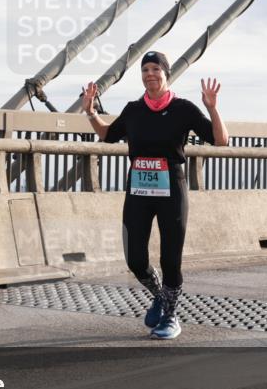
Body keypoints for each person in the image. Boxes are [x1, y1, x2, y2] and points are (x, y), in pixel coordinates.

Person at [81, 51, 230, 339]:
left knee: (170, 259)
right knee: (135, 259)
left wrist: (212, 108)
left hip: (171, 189)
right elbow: (108, 135)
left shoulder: (183, 109)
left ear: (166, 74)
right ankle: (160, 295)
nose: (150, 74)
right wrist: (90, 112)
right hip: (138, 190)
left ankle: (171, 316)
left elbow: (221, 140)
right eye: (145, 69)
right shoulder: (133, 110)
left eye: (156, 69)